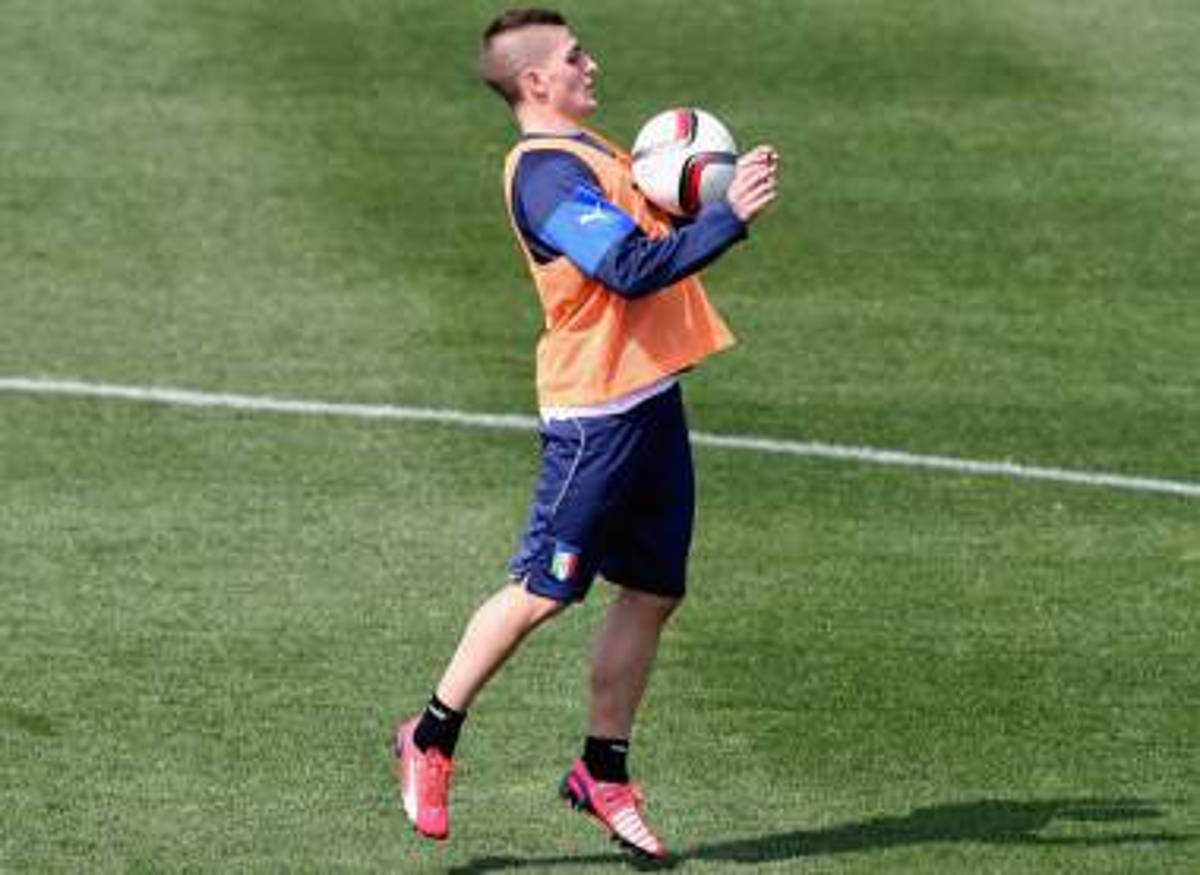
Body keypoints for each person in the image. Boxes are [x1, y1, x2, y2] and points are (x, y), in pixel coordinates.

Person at [392, 7, 778, 861]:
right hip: (595, 420)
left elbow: (649, 234)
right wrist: (729, 219)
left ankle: (601, 772)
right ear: (536, 81)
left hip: (650, 402)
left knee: (654, 588)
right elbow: (628, 269)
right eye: (575, 57)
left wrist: (706, 192)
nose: (591, 64)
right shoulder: (543, 177)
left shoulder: (596, 151)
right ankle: (430, 733)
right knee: (544, 588)